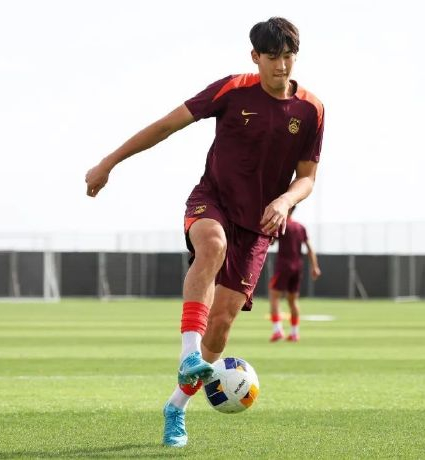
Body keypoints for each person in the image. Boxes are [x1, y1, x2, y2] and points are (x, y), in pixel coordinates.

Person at [85, 17, 324, 448]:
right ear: (255, 57)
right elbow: (166, 125)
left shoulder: (311, 110)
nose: (281, 65)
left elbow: (307, 177)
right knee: (211, 245)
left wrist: (286, 200)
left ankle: (175, 407)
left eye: (289, 56)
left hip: (259, 226)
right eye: (272, 57)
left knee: (223, 322)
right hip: (212, 201)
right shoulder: (232, 90)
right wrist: (108, 163)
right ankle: (188, 355)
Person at [268, 206, 321, 342]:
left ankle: (277, 330)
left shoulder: (281, 225)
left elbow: (271, 242)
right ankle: (294, 333)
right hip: (297, 267)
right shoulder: (300, 227)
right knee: (293, 300)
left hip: (283, 266)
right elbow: (309, 248)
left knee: (274, 296)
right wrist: (315, 266)